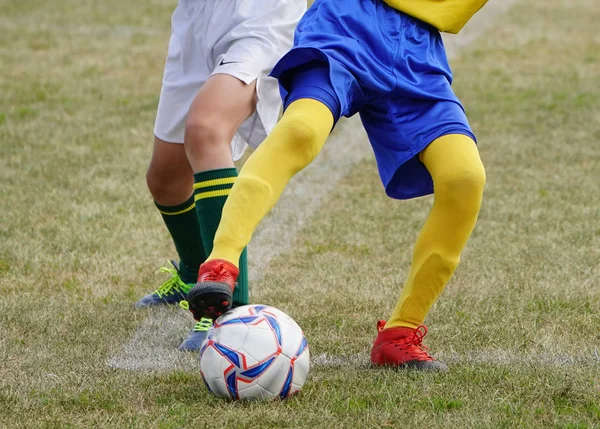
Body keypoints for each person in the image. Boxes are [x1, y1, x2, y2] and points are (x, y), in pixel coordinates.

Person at [185, 0, 488, 370]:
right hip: (345, 24)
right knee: (301, 130)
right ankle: (221, 263)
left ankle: (401, 332)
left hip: (418, 52)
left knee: (464, 178)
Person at [134, 0, 306, 351]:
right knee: (165, 180)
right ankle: (192, 273)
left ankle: (226, 314)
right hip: (197, 20)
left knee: (205, 128)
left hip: (260, 19)